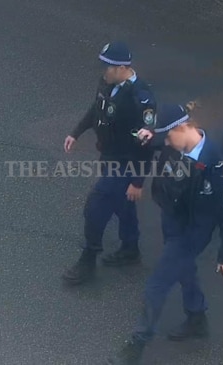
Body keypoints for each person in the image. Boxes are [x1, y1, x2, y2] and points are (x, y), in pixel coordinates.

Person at [107, 103, 223, 365]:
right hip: (172, 219)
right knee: (184, 270)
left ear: (182, 128)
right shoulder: (176, 142)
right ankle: (196, 316)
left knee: (157, 284)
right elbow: (156, 141)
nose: (165, 142)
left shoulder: (216, 164)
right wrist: (146, 135)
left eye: (168, 136)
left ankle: (137, 345)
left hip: (192, 232)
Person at [62, 41, 157, 285]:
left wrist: (137, 182)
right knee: (123, 206)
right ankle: (130, 248)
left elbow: (147, 146)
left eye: (109, 67)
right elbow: (97, 109)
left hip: (126, 164)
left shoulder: (141, 99)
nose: (104, 71)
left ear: (123, 67)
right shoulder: (107, 82)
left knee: (94, 209)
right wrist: (76, 132)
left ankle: (87, 261)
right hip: (109, 156)